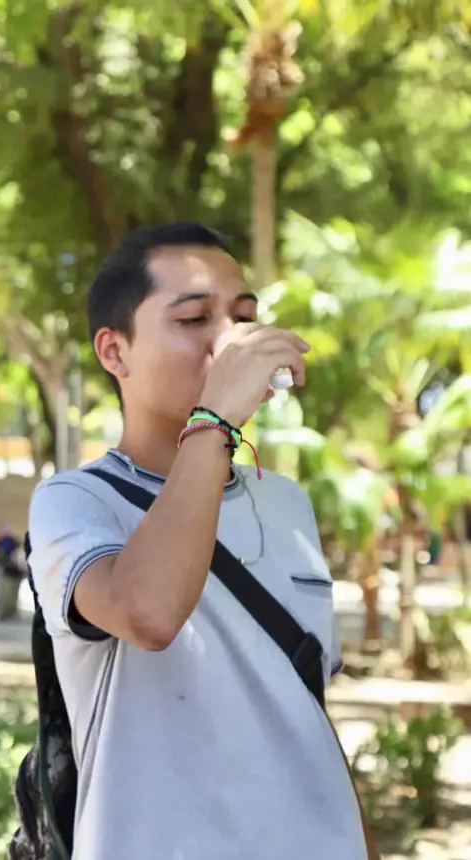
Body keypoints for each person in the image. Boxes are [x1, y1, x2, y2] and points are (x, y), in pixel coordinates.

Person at [25, 223, 377, 859]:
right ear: (114, 353)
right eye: (194, 320)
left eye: (245, 318)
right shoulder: (75, 503)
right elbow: (149, 614)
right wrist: (214, 420)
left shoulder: (287, 503)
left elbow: (304, 711)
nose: (232, 341)